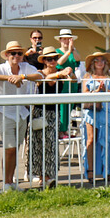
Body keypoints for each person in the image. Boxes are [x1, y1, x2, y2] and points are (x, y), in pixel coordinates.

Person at [0, 41, 43, 192]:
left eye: (19, 53)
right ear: (7, 55)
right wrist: (9, 78)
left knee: (14, 149)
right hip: (4, 111)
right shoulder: (1, 68)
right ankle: (7, 183)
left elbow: (39, 75)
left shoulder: (25, 67)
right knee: (9, 148)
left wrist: (22, 77)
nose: (16, 56)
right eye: (13, 53)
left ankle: (10, 183)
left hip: (22, 112)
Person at [33, 47, 71, 188]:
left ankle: (49, 176)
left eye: (55, 58)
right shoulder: (39, 73)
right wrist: (60, 73)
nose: (53, 61)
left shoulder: (60, 74)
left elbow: (73, 81)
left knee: (52, 145)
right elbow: (46, 80)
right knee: (40, 145)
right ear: (44, 61)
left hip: (54, 112)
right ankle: (44, 177)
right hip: (40, 112)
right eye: (49, 59)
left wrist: (69, 73)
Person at [81, 52, 110, 181]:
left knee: (106, 140)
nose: (100, 62)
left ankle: (106, 170)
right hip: (91, 111)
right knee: (90, 140)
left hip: (107, 110)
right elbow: (84, 94)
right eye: (97, 60)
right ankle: (90, 171)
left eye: (102, 60)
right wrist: (96, 92)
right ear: (93, 63)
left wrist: (105, 91)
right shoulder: (87, 77)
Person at [54, 29, 81, 138]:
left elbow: (78, 60)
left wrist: (72, 49)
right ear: (60, 40)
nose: (66, 41)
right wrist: (68, 51)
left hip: (72, 82)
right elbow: (59, 62)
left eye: (68, 39)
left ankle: (65, 130)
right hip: (62, 83)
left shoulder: (74, 51)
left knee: (69, 107)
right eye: (64, 39)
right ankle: (60, 130)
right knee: (62, 108)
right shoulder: (57, 51)